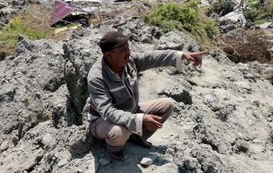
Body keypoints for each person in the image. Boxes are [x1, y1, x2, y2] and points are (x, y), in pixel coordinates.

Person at [87, 31, 207, 160]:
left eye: (128, 46)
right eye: (122, 49)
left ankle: (135, 136)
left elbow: (153, 57)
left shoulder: (129, 60)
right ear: (108, 55)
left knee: (167, 105)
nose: (128, 51)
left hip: (130, 111)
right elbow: (108, 112)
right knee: (119, 132)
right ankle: (115, 150)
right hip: (102, 120)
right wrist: (140, 120)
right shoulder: (97, 77)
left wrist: (182, 55)